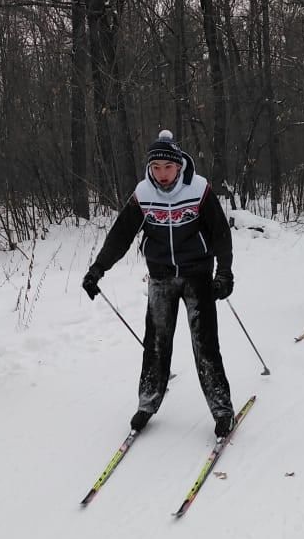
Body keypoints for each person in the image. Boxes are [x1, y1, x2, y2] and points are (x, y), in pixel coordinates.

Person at [82, 130, 235, 437]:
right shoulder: (143, 194)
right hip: (161, 276)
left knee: (204, 343)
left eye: (167, 167)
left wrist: (224, 273)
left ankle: (221, 408)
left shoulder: (199, 189)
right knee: (155, 343)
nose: (162, 174)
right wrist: (98, 268)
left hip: (197, 275)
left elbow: (220, 233)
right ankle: (148, 403)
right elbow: (121, 235)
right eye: (156, 168)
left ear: (178, 165)